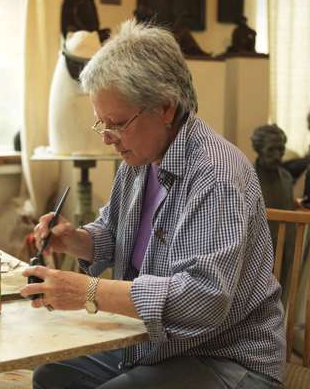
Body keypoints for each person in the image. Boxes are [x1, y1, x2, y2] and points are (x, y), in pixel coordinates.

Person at [21, 20, 285, 389]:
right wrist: (76, 239)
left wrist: (88, 291)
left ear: (165, 107)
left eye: (117, 123)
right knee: (51, 375)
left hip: (226, 357)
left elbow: (203, 299)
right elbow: (114, 231)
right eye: (102, 124)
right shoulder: (139, 158)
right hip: (158, 345)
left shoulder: (216, 176)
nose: (109, 138)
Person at [251, 124, 295, 304]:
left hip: (286, 249)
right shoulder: (249, 176)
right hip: (258, 252)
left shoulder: (286, 178)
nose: (278, 155)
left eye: (281, 149)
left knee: (281, 301)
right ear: (259, 149)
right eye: (271, 149)